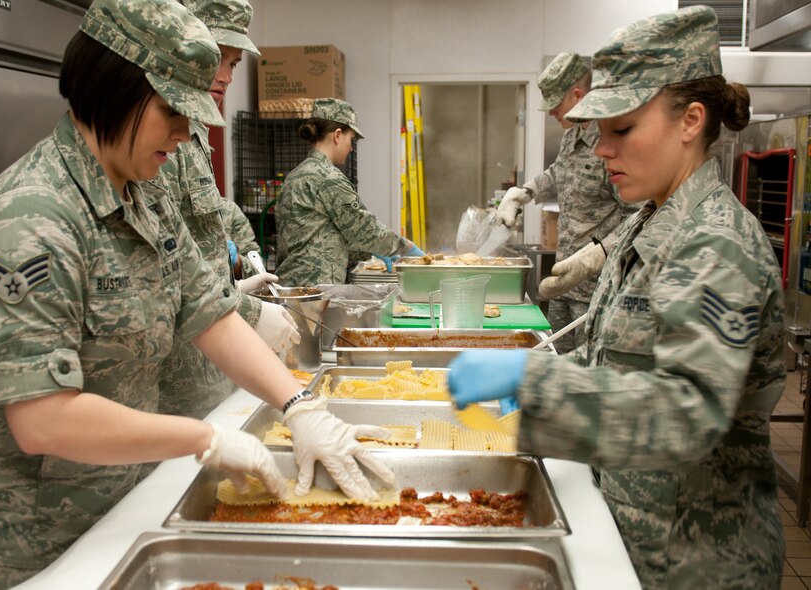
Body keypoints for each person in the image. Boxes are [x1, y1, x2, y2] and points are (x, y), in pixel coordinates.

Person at [0, 2, 393, 588]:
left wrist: (299, 406)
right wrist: (204, 437)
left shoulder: (144, 192)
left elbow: (206, 311)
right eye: (172, 110)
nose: (185, 132)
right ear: (111, 91)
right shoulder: (31, 221)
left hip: (110, 502)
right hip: (11, 534)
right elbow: (43, 419)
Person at [449, 6, 784, 589]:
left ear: (691, 120)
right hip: (634, 533)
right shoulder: (647, 220)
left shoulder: (716, 242)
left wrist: (535, 388)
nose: (601, 149)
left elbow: (689, 411)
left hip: (695, 562)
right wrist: (523, 377)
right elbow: (613, 361)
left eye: (620, 129)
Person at [149, 0, 298, 422]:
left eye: (234, 63)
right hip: (176, 379)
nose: (227, 76)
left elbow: (199, 234)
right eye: (220, 58)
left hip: (210, 367)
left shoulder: (191, 134)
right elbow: (163, 265)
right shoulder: (158, 144)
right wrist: (247, 309)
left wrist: (234, 281)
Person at [497, 52, 638, 353]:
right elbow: (559, 172)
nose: (551, 114)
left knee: (589, 365)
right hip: (563, 279)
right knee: (558, 357)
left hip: (595, 287)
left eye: (554, 106)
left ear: (577, 95)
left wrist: (596, 255)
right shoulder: (572, 135)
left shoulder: (611, 143)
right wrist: (525, 192)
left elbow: (638, 218)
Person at [274, 98, 424, 286]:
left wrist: (370, 251)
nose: (351, 147)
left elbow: (318, 237)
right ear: (337, 135)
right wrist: (405, 248)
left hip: (293, 286)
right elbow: (364, 228)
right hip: (314, 289)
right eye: (350, 139)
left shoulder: (296, 175)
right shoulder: (327, 177)